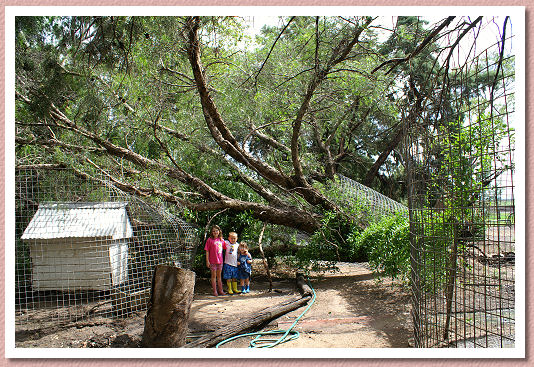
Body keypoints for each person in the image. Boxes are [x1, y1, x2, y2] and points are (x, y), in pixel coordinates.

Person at [204, 225, 225, 296]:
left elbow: (227, 248)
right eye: (213, 231)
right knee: (213, 276)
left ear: (219, 231)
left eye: (216, 230)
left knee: (219, 276)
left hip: (220, 261)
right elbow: (207, 251)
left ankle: (221, 290)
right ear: (211, 232)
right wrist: (207, 261)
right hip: (212, 261)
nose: (215, 232)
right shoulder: (209, 240)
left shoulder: (221, 240)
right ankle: (215, 291)